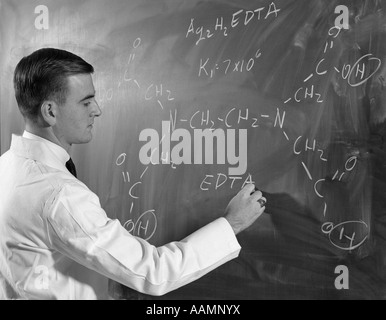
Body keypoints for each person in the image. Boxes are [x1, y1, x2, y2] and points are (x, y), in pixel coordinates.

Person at [0, 48, 266, 300]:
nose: (98, 110)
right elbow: (155, 272)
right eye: (86, 102)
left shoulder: (7, 166)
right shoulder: (59, 196)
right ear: (50, 111)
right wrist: (233, 224)